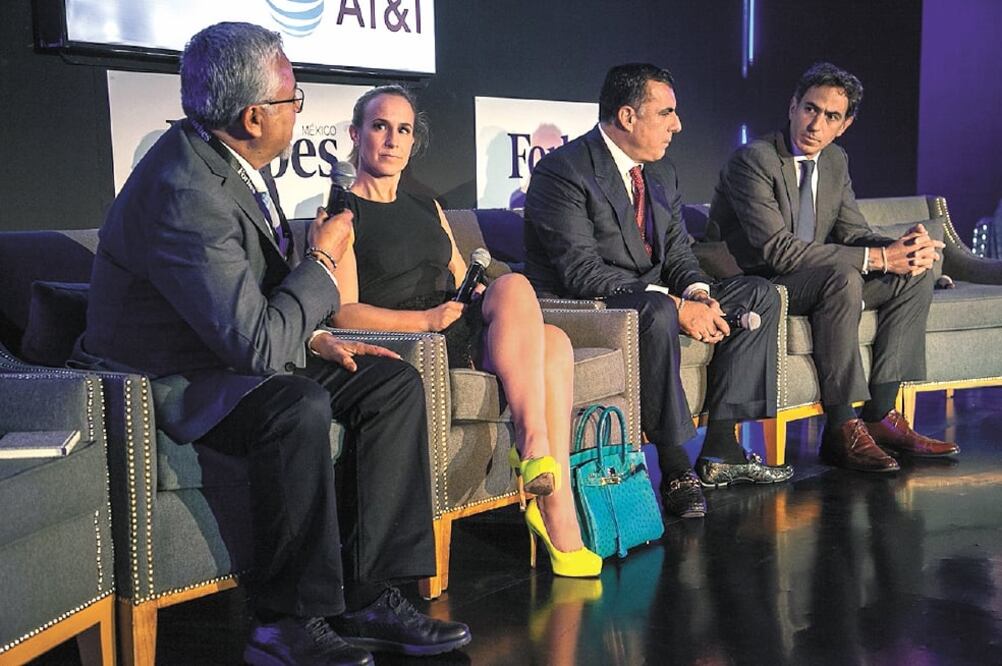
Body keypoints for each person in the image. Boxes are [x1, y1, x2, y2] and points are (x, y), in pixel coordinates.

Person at [73, 23, 470, 665]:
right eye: (294, 100)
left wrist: (315, 334)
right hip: (172, 382)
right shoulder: (184, 191)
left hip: (227, 351)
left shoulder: (226, 159)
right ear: (255, 116)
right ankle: (283, 621)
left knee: (390, 382)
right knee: (296, 406)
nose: (298, 111)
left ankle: (367, 593)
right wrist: (320, 261)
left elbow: (248, 306)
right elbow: (255, 345)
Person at [328, 85, 601, 578]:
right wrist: (425, 321)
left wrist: (474, 295)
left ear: (413, 141)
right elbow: (343, 314)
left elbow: (457, 272)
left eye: (403, 130)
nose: (392, 139)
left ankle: (542, 474)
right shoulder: (343, 215)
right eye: (379, 126)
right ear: (356, 134)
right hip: (417, 342)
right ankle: (550, 497)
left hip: (457, 324)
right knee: (549, 339)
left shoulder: (427, 206)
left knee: (531, 310)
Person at [523, 63, 792, 520]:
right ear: (628, 116)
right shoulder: (563, 172)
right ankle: (674, 466)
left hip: (654, 296)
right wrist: (675, 303)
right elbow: (581, 273)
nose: (678, 125)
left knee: (758, 293)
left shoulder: (661, 171)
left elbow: (680, 252)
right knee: (656, 311)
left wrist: (700, 292)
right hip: (592, 304)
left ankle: (721, 451)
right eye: (666, 112)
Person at [706, 61, 960, 472]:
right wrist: (878, 258)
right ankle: (842, 426)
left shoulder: (835, 161)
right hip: (761, 284)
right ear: (792, 107)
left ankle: (878, 416)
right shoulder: (753, 161)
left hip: (817, 279)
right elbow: (778, 251)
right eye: (810, 108)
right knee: (843, 276)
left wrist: (902, 249)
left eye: (831, 116)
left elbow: (852, 231)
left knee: (914, 275)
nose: (816, 123)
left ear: (844, 125)